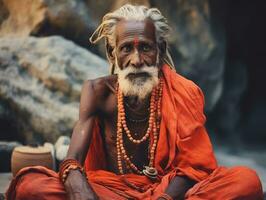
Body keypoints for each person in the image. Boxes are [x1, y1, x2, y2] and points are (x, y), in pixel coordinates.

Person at [6, 4, 263, 200]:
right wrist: (77, 184)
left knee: (247, 181)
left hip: (169, 194)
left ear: (160, 51)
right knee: (32, 185)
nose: (137, 60)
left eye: (146, 48)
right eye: (127, 48)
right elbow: (73, 160)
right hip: (109, 192)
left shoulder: (184, 92)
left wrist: (163, 198)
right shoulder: (97, 92)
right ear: (112, 53)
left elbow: (194, 168)